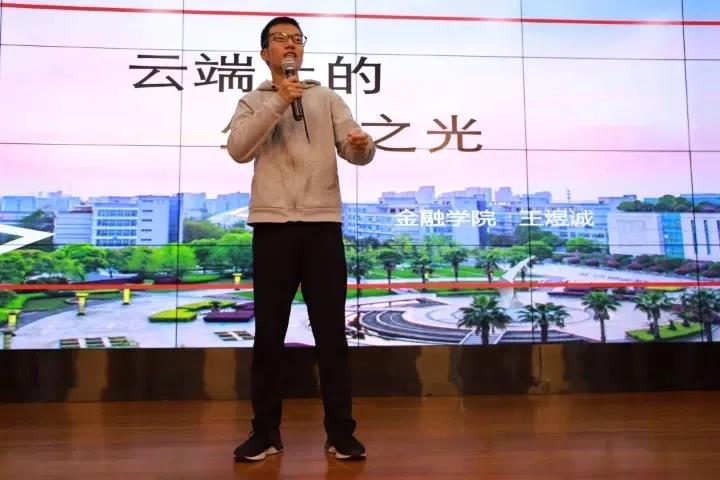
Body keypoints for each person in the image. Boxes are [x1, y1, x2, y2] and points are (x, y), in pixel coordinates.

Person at [226, 16, 375, 462]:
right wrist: (278, 102)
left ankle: (341, 433)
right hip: (272, 228)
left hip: (322, 227)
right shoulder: (252, 100)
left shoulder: (326, 98)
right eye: (280, 39)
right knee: (268, 336)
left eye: (296, 39)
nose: (290, 45)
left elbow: (355, 150)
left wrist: (363, 146)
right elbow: (239, 150)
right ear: (265, 53)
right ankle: (265, 433)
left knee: (331, 335)